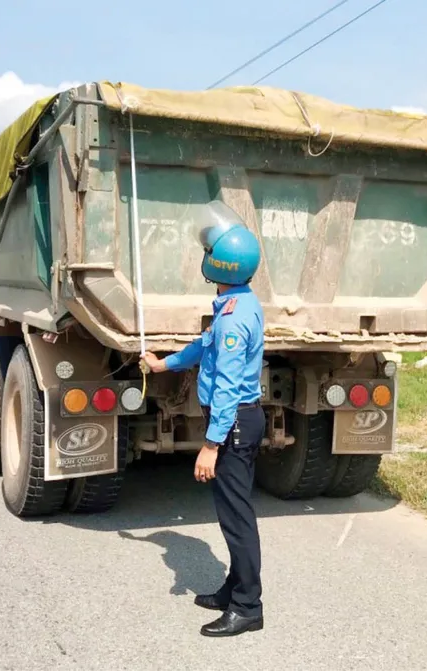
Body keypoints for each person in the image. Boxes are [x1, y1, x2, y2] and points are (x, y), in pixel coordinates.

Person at [142, 207, 265, 638]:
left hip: (233, 423)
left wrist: (211, 445)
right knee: (233, 511)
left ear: (218, 263)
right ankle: (234, 589)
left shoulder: (232, 316)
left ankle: (248, 607)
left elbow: (229, 384)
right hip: (238, 420)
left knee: (237, 517)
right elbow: (202, 347)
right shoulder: (237, 303)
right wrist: (163, 365)